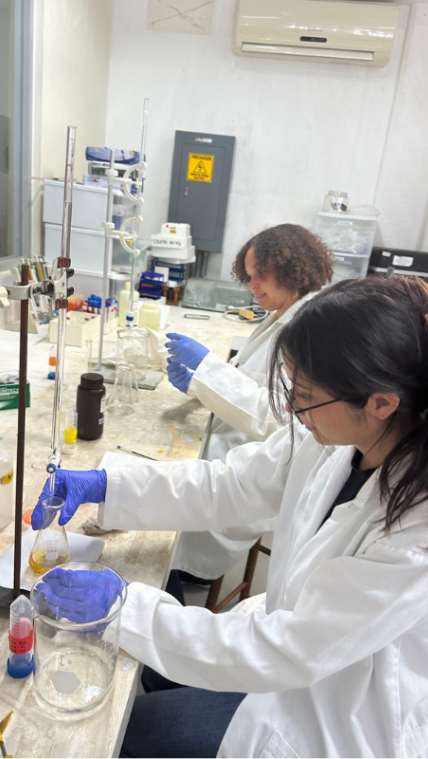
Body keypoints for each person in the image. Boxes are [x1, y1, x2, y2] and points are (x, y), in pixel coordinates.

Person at [32, 276, 428, 757]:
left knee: (124, 737)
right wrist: (106, 485)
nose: (293, 409)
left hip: (330, 719)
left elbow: (288, 649)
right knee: (146, 673)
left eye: (305, 396)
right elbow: (229, 484)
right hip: (286, 657)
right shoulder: (345, 434)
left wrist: (125, 605)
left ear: (381, 403)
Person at [165, 224, 335, 584]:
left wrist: (208, 371)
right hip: (230, 449)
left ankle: (178, 579)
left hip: (251, 475)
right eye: (249, 275)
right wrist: (200, 382)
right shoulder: (281, 314)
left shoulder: (307, 328)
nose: (252, 284)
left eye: (261, 274)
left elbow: (277, 416)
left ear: (292, 268)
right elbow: (249, 381)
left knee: (163, 536)